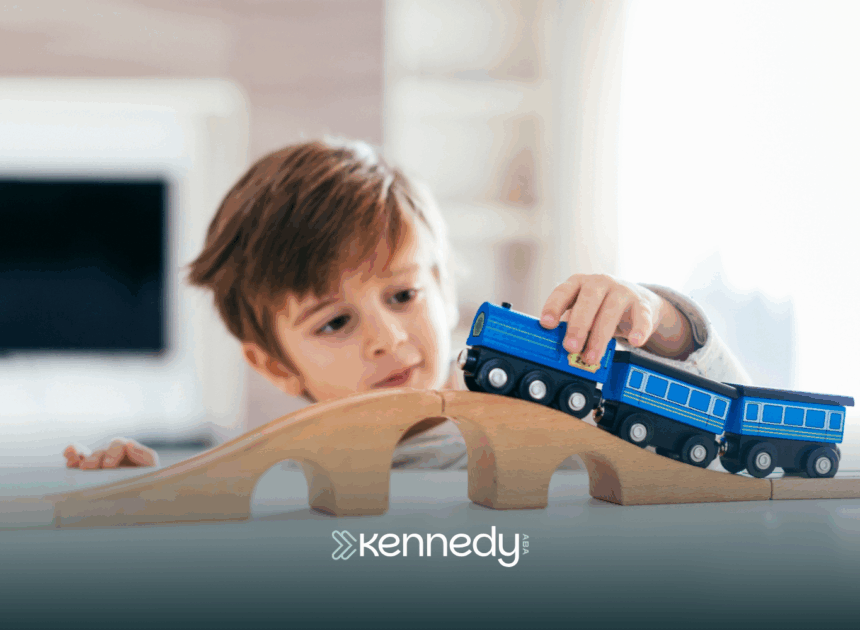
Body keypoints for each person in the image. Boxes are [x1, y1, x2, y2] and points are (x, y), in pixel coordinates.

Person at [63, 138, 751, 471]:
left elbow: (735, 441)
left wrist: (658, 320)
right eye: (334, 321)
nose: (387, 338)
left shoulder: (555, 417)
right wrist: (145, 504)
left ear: (448, 287)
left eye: (403, 294)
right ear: (272, 365)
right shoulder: (274, 481)